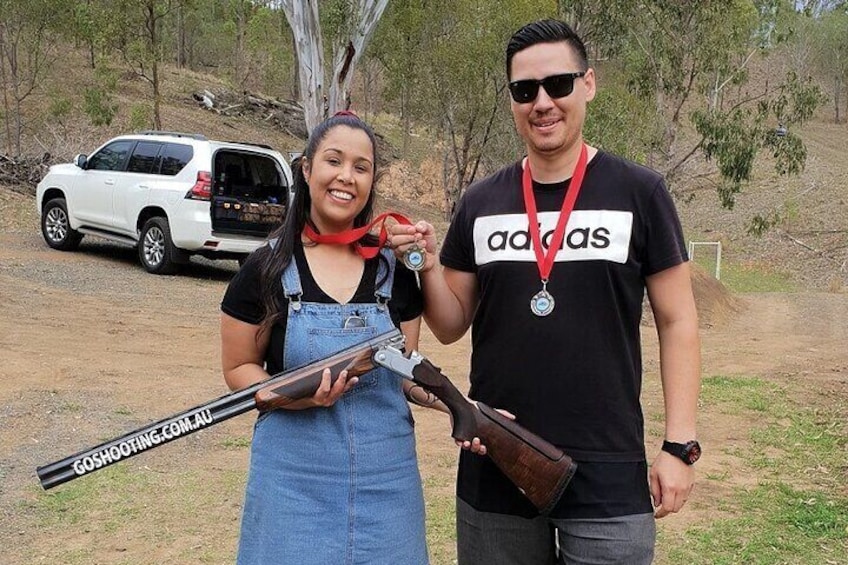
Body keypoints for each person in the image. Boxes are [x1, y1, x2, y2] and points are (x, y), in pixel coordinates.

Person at [389, 19, 701, 565]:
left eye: (558, 84)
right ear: (511, 99)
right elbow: (449, 324)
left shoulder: (640, 192)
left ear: (588, 84)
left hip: (608, 469)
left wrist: (680, 446)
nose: (542, 102)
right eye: (524, 90)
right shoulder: (482, 201)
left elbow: (678, 321)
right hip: (496, 456)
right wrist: (428, 266)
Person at [220, 112, 433, 565]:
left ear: (372, 179)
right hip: (292, 480)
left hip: (387, 481)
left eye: (361, 166)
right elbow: (239, 369)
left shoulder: (395, 273)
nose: (346, 177)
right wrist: (293, 397)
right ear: (306, 168)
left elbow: (405, 370)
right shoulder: (265, 268)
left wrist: (455, 405)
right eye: (333, 161)